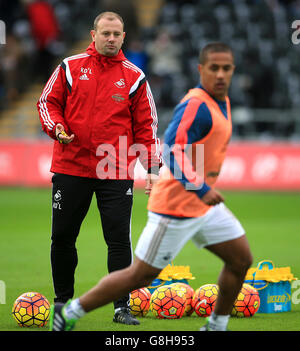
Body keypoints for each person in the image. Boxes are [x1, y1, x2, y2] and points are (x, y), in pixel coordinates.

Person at [49, 42, 253, 332]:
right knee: (140, 276)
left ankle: (216, 326)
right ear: (201, 70)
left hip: (203, 206)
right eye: (214, 68)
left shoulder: (224, 102)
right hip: (176, 207)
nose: (220, 74)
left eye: (226, 68)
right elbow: (171, 149)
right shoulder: (196, 104)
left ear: (233, 70)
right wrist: (200, 186)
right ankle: (70, 310)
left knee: (241, 259)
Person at [37, 11, 161, 325]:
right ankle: (62, 302)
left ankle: (122, 308)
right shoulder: (69, 67)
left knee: (118, 240)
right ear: (93, 34)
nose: (110, 39)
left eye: (116, 34)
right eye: (105, 33)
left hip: (115, 170)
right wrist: (58, 128)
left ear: (123, 37)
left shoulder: (134, 77)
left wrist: (153, 169)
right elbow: (47, 103)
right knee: (62, 238)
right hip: (71, 166)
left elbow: (146, 127)